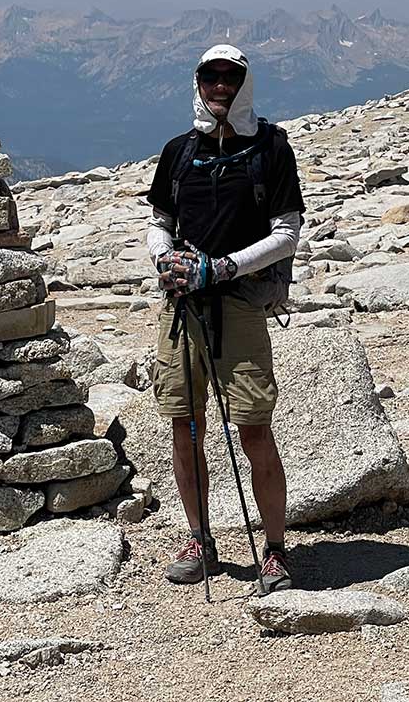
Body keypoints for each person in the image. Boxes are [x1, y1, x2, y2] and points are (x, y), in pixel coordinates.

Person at [145, 44, 303, 595]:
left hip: (238, 301)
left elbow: (287, 233)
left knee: (253, 427)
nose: (219, 86)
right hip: (183, 301)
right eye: (210, 77)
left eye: (229, 78)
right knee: (184, 425)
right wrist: (164, 259)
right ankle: (199, 539)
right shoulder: (178, 151)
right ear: (199, 83)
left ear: (244, 84)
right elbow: (160, 221)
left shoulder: (271, 148)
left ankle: (275, 550)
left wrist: (223, 267)